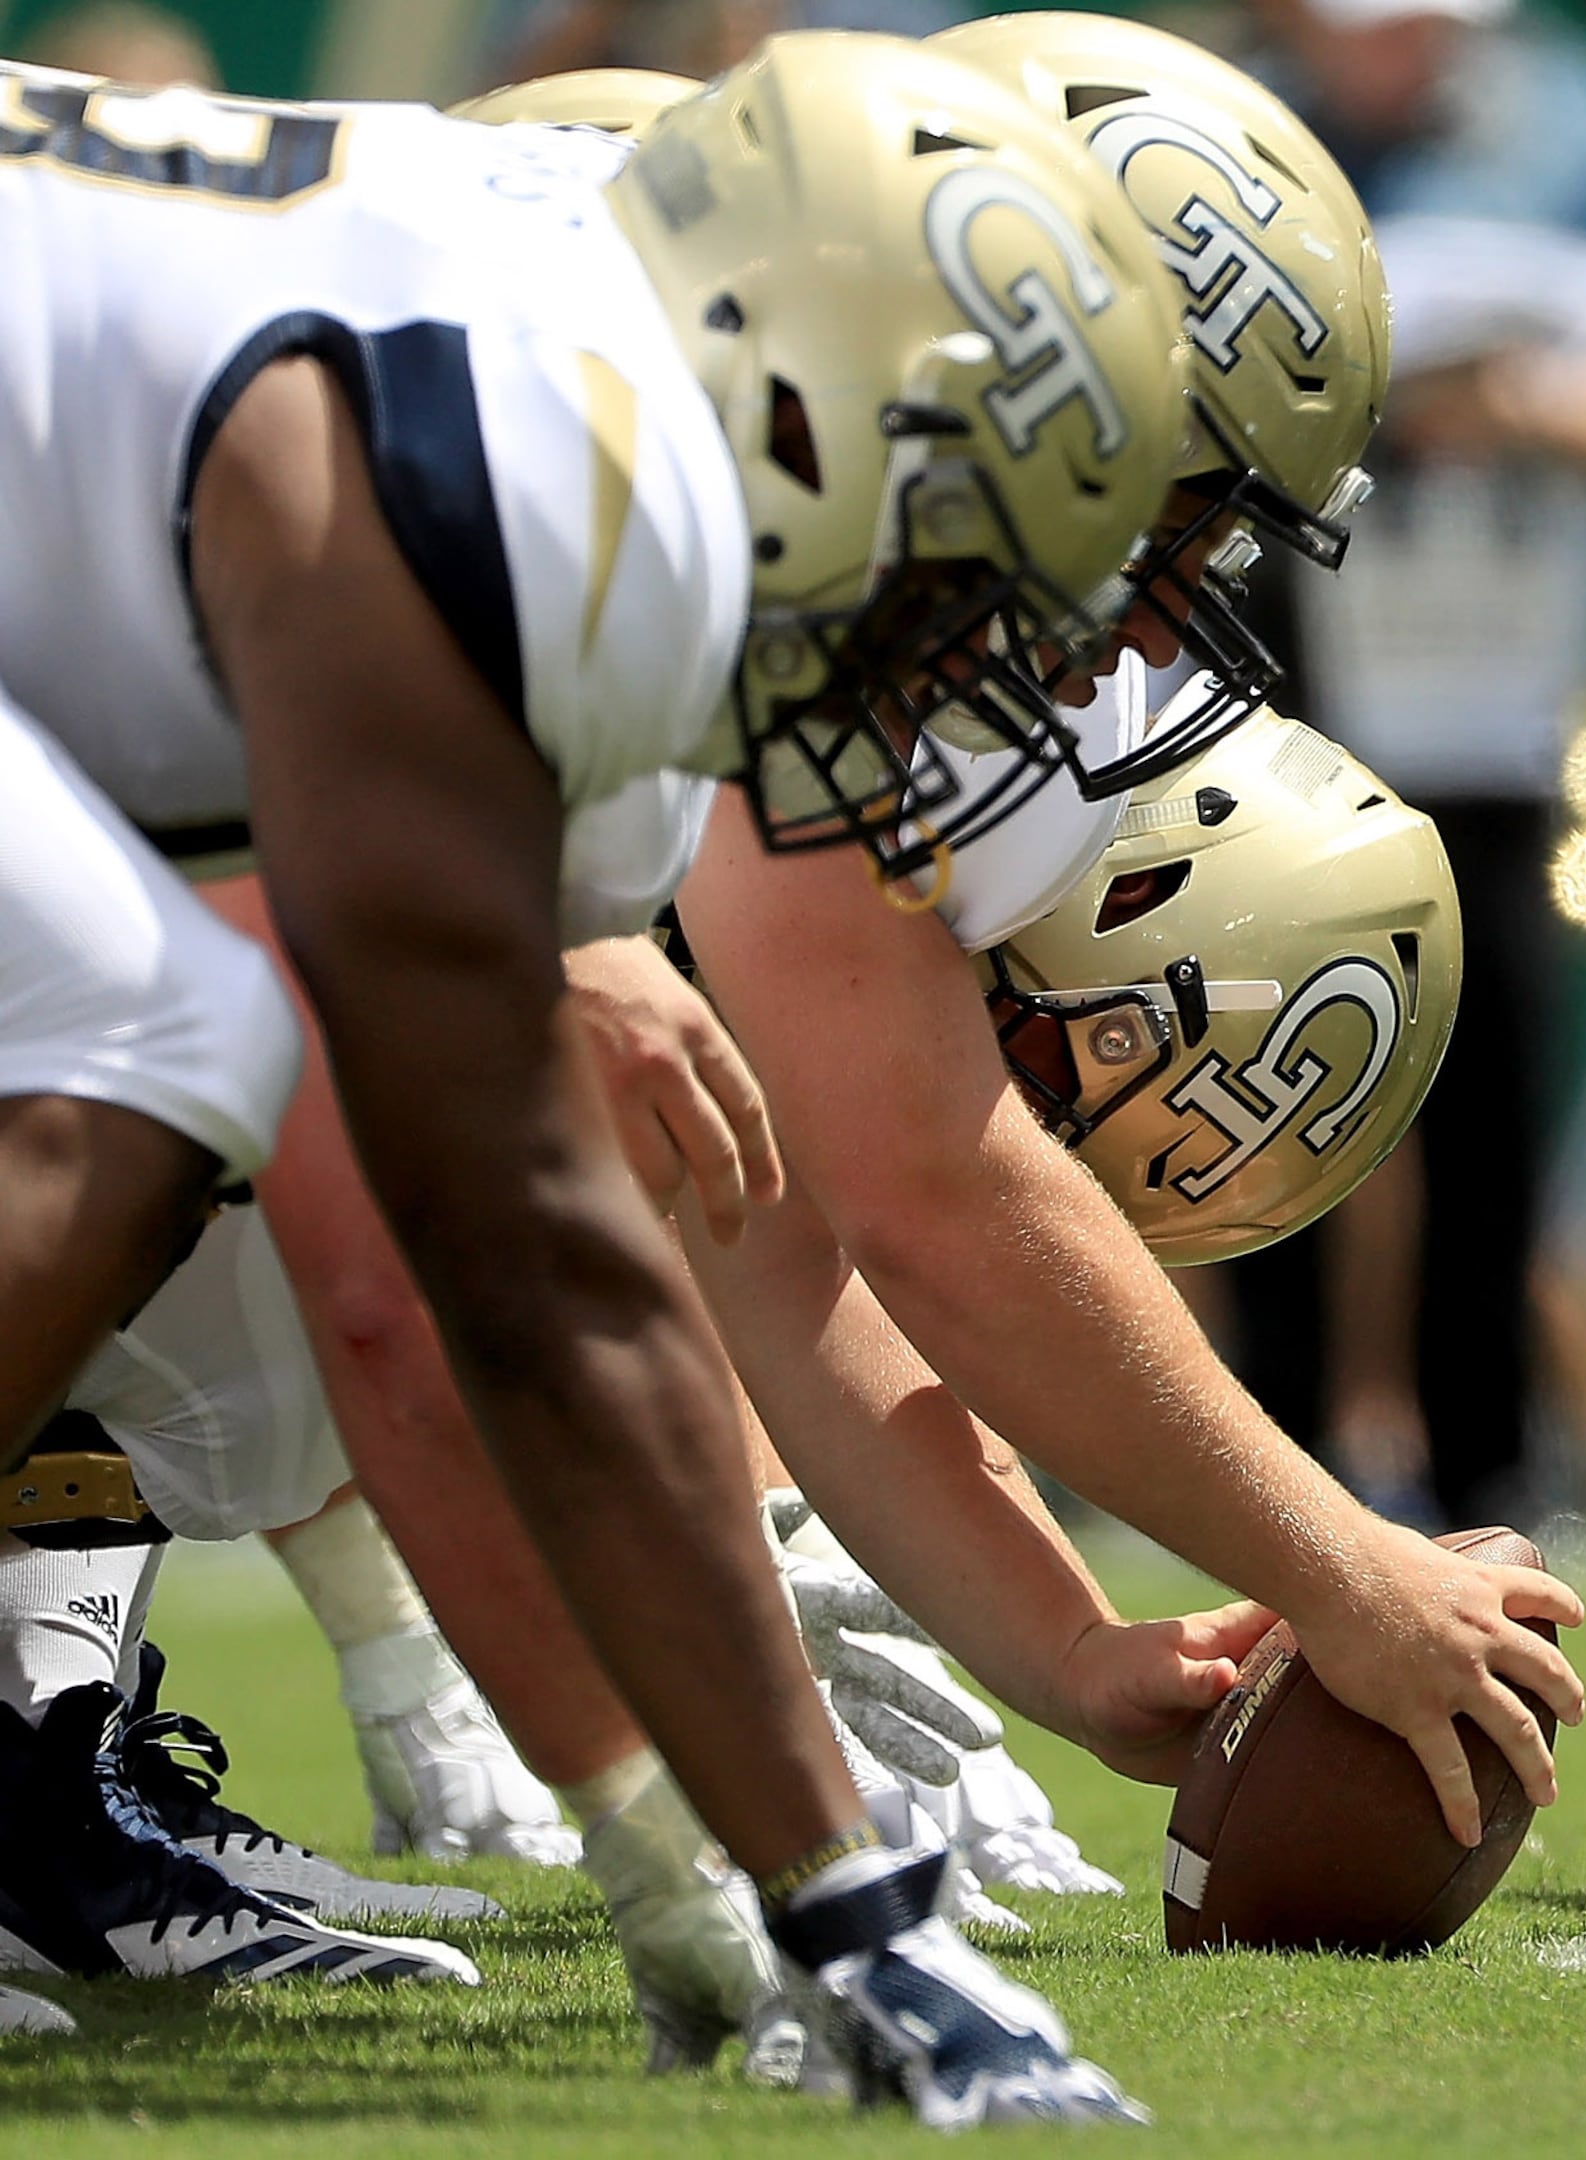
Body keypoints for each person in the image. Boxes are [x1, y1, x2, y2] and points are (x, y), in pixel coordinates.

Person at [0, 31, 1176, 2115]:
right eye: (955, 559)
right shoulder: (532, 459)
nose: (951, 658)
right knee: (139, 1043)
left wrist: (735, 1854)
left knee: (150, 1030)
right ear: (805, 412)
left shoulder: (557, 351)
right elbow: (499, 1275)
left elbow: (476, 1263)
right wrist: (818, 1897)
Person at [1238, 0, 1586, 1524]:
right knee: (1278, 1103)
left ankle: (1489, 1469)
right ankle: (1283, 1467)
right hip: (1278, 721)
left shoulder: (1567, 139)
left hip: (1507, 723)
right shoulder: (1233, 139)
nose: (1400, 50)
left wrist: (1497, 402)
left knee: (1495, 1113)